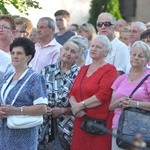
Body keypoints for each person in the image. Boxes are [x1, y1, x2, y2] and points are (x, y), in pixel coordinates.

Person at [69, 35, 117, 150]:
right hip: (80, 120)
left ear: (106, 52)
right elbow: (72, 92)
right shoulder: (84, 68)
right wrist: (75, 107)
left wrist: (80, 105)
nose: (94, 49)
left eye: (98, 47)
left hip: (97, 124)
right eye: (92, 46)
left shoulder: (110, 69)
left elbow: (102, 96)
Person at [0, 37, 48, 150]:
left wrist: (15, 111)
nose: (15, 56)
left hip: (24, 135)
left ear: (28, 57)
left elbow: (42, 108)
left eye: (19, 53)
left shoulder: (35, 78)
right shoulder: (8, 76)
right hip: (4, 134)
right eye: (13, 53)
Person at [40, 39, 82, 150]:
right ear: (60, 50)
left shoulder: (81, 75)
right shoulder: (47, 70)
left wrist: (62, 111)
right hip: (44, 123)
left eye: (73, 52)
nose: (68, 53)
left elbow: (82, 104)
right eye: (66, 49)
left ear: (77, 56)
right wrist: (43, 107)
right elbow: (37, 94)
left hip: (67, 127)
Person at [109, 41, 150, 150]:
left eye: (141, 56)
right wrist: (118, 103)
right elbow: (110, 107)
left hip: (141, 130)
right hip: (119, 128)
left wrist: (135, 104)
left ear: (147, 61)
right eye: (134, 54)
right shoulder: (120, 78)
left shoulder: (149, 78)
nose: (136, 57)